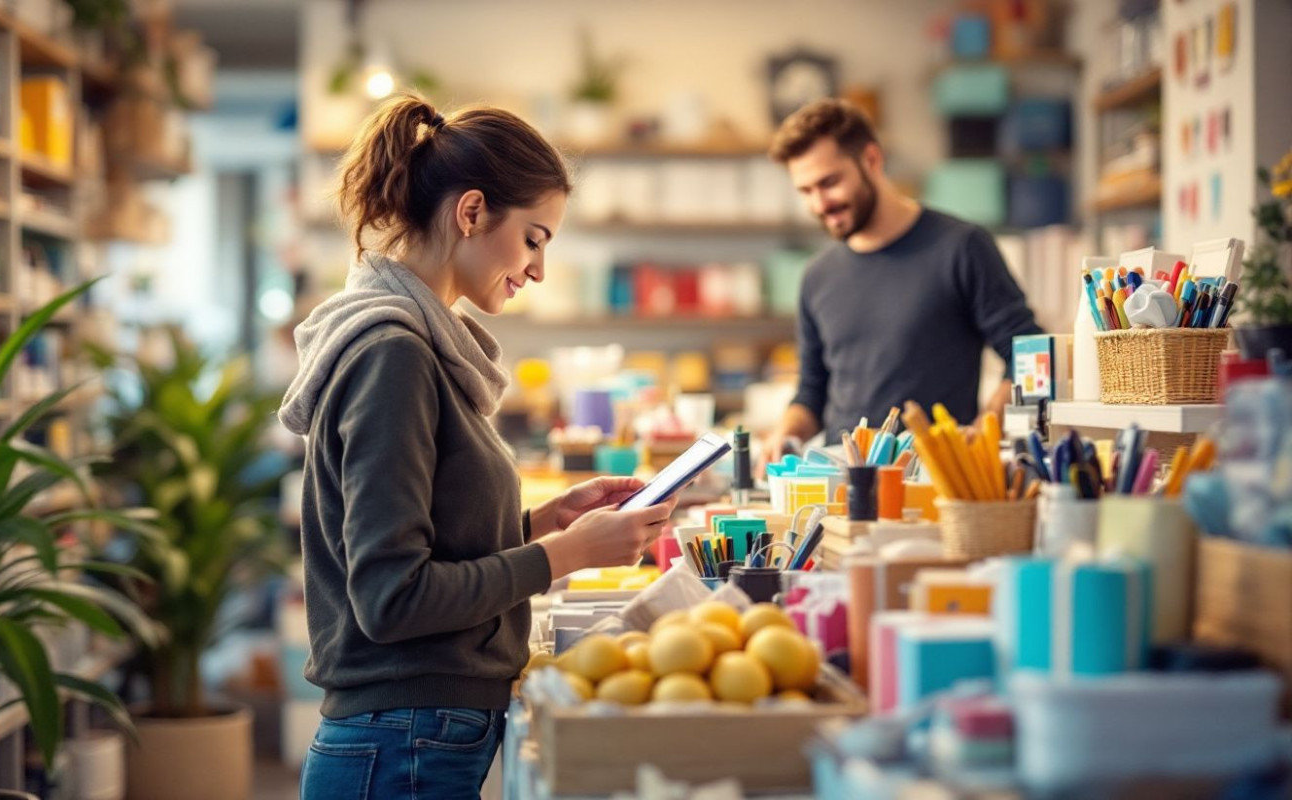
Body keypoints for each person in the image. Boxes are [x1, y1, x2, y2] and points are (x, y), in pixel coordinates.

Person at [278, 95, 678, 800]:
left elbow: (421, 545)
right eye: (534, 238)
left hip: (409, 735)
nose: (538, 270)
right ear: (470, 213)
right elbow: (392, 597)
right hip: (399, 742)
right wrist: (567, 555)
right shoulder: (393, 354)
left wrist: (539, 525)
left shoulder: (415, 346)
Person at [762, 99, 1043, 467]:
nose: (819, 204)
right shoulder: (817, 276)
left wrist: (987, 425)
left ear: (871, 160)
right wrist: (788, 428)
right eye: (806, 191)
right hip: (841, 488)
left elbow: (1030, 353)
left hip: (933, 484)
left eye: (829, 183)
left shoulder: (960, 247)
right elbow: (812, 393)